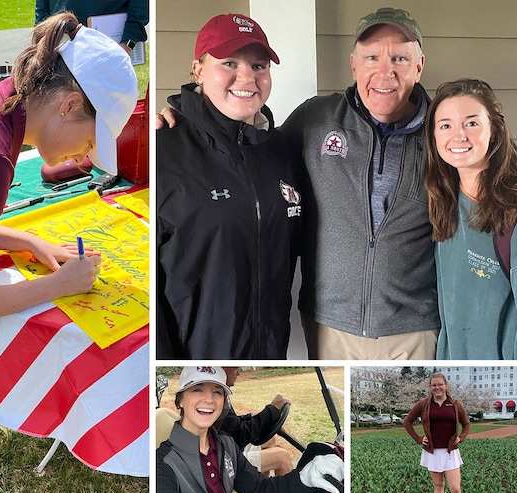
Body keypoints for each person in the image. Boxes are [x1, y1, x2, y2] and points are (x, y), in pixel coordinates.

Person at [157, 7, 438, 360]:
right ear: (354, 63)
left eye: (399, 57)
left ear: (419, 65)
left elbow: (485, 170)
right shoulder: (313, 120)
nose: (385, 72)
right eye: (371, 57)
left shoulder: (445, 130)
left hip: (411, 328)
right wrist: (180, 120)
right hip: (328, 327)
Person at [0, 12, 138, 324]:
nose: (82, 159)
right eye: (89, 142)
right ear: (69, 106)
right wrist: (59, 284)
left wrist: (30, 242)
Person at [156, 13, 303, 359]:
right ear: (198, 70)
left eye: (258, 66)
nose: (247, 77)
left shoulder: (284, 152)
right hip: (188, 359)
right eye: (229, 63)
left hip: (269, 353)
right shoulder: (163, 147)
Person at [157, 366, 343, 493]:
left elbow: (259, 490)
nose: (209, 400)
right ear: (180, 399)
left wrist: (303, 478)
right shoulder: (163, 465)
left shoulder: (225, 444)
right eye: (197, 390)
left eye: (217, 392)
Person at [424, 78, 517, 359]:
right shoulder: (445, 201)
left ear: (495, 132)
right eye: (446, 125)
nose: (458, 136)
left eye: (472, 123)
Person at [220, 367, 303, 493]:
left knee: (270, 441)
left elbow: (231, 424)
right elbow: (238, 435)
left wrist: (259, 415)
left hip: (229, 445)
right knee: (282, 457)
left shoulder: (221, 390)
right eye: (235, 367)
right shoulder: (215, 392)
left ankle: (264, 491)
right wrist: (270, 410)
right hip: (227, 457)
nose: (238, 372)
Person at [403, 372, 470, 493]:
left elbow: (466, 424)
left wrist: (460, 438)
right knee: (439, 487)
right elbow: (407, 421)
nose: (437, 387)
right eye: (434, 385)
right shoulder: (424, 404)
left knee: (455, 488)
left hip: (450, 452)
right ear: (430, 387)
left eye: (440, 384)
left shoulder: (455, 404)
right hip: (432, 452)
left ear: (446, 385)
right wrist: (419, 439)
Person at [35, 0, 149, 55]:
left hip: (106, 48)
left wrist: (127, 44)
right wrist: (40, 38)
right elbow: (42, 5)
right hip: (58, 42)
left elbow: (140, 9)